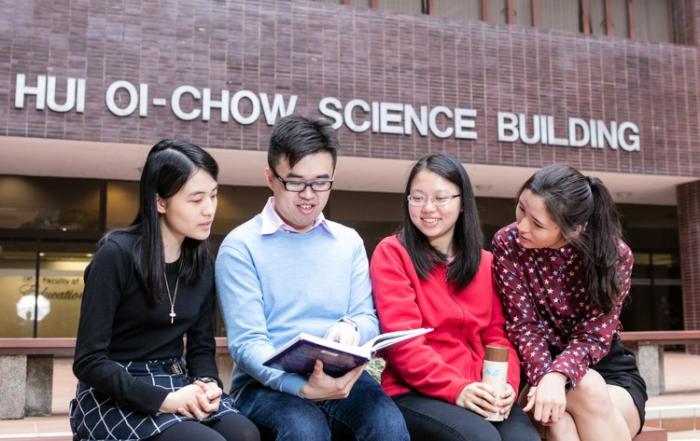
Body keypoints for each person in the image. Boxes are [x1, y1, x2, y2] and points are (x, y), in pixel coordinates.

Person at [215, 115, 409, 441]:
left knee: (387, 426)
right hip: (266, 384)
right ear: (271, 178)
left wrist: (351, 328)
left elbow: (367, 317)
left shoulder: (347, 242)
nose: (309, 194)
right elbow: (248, 345)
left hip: (343, 376)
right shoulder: (240, 245)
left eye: (321, 182)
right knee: (305, 430)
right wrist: (301, 387)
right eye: (295, 182)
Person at [69, 139, 260, 441]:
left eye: (213, 196)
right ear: (160, 201)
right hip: (114, 392)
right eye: (196, 200)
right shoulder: (116, 255)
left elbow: (200, 346)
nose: (209, 210)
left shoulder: (201, 262)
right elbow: (88, 362)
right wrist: (163, 401)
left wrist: (207, 382)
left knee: (245, 434)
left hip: (176, 381)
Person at [369, 153, 540, 441]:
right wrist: (457, 389)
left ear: (462, 203)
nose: (427, 208)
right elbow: (405, 344)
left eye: (440, 198)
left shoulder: (486, 263)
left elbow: (498, 337)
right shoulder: (393, 253)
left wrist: (506, 386)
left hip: (480, 388)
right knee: (479, 438)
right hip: (414, 391)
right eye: (417, 198)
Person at [491, 164, 647, 441]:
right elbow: (523, 326)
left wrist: (559, 375)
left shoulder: (613, 254)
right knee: (559, 420)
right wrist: (546, 376)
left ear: (574, 229)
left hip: (606, 373)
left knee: (585, 387)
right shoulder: (507, 242)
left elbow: (596, 335)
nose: (522, 226)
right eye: (521, 209)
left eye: (537, 223)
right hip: (535, 366)